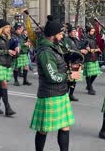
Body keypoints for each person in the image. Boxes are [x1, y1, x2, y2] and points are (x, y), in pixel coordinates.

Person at [31, 15, 80, 151]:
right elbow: (52, 76)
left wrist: (72, 59)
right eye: (60, 33)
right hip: (50, 94)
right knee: (43, 129)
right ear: (53, 35)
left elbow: (63, 59)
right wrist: (70, 75)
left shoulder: (55, 47)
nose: (62, 36)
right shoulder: (46, 52)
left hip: (60, 92)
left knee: (65, 126)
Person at [62, 25, 88, 102]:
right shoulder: (66, 40)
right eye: (73, 31)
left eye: (75, 31)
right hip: (70, 62)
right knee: (69, 80)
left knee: (74, 79)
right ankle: (65, 95)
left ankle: (71, 94)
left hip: (77, 61)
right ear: (69, 33)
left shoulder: (76, 39)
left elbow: (79, 46)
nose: (74, 33)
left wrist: (85, 49)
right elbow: (68, 50)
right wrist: (80, 51)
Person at [82, 26, 101, 95]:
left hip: (94, 58)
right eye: (92, 31)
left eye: (93, 31)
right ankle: (90, 88)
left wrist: (97, 49)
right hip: (88, 58)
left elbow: (96, 46)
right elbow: (88, 49)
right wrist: (96, 50)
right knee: (88, 75)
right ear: (88, 32)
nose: (93, 33)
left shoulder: (94, 38)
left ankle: (89, 85)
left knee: (95, 73)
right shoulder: (85, 39)